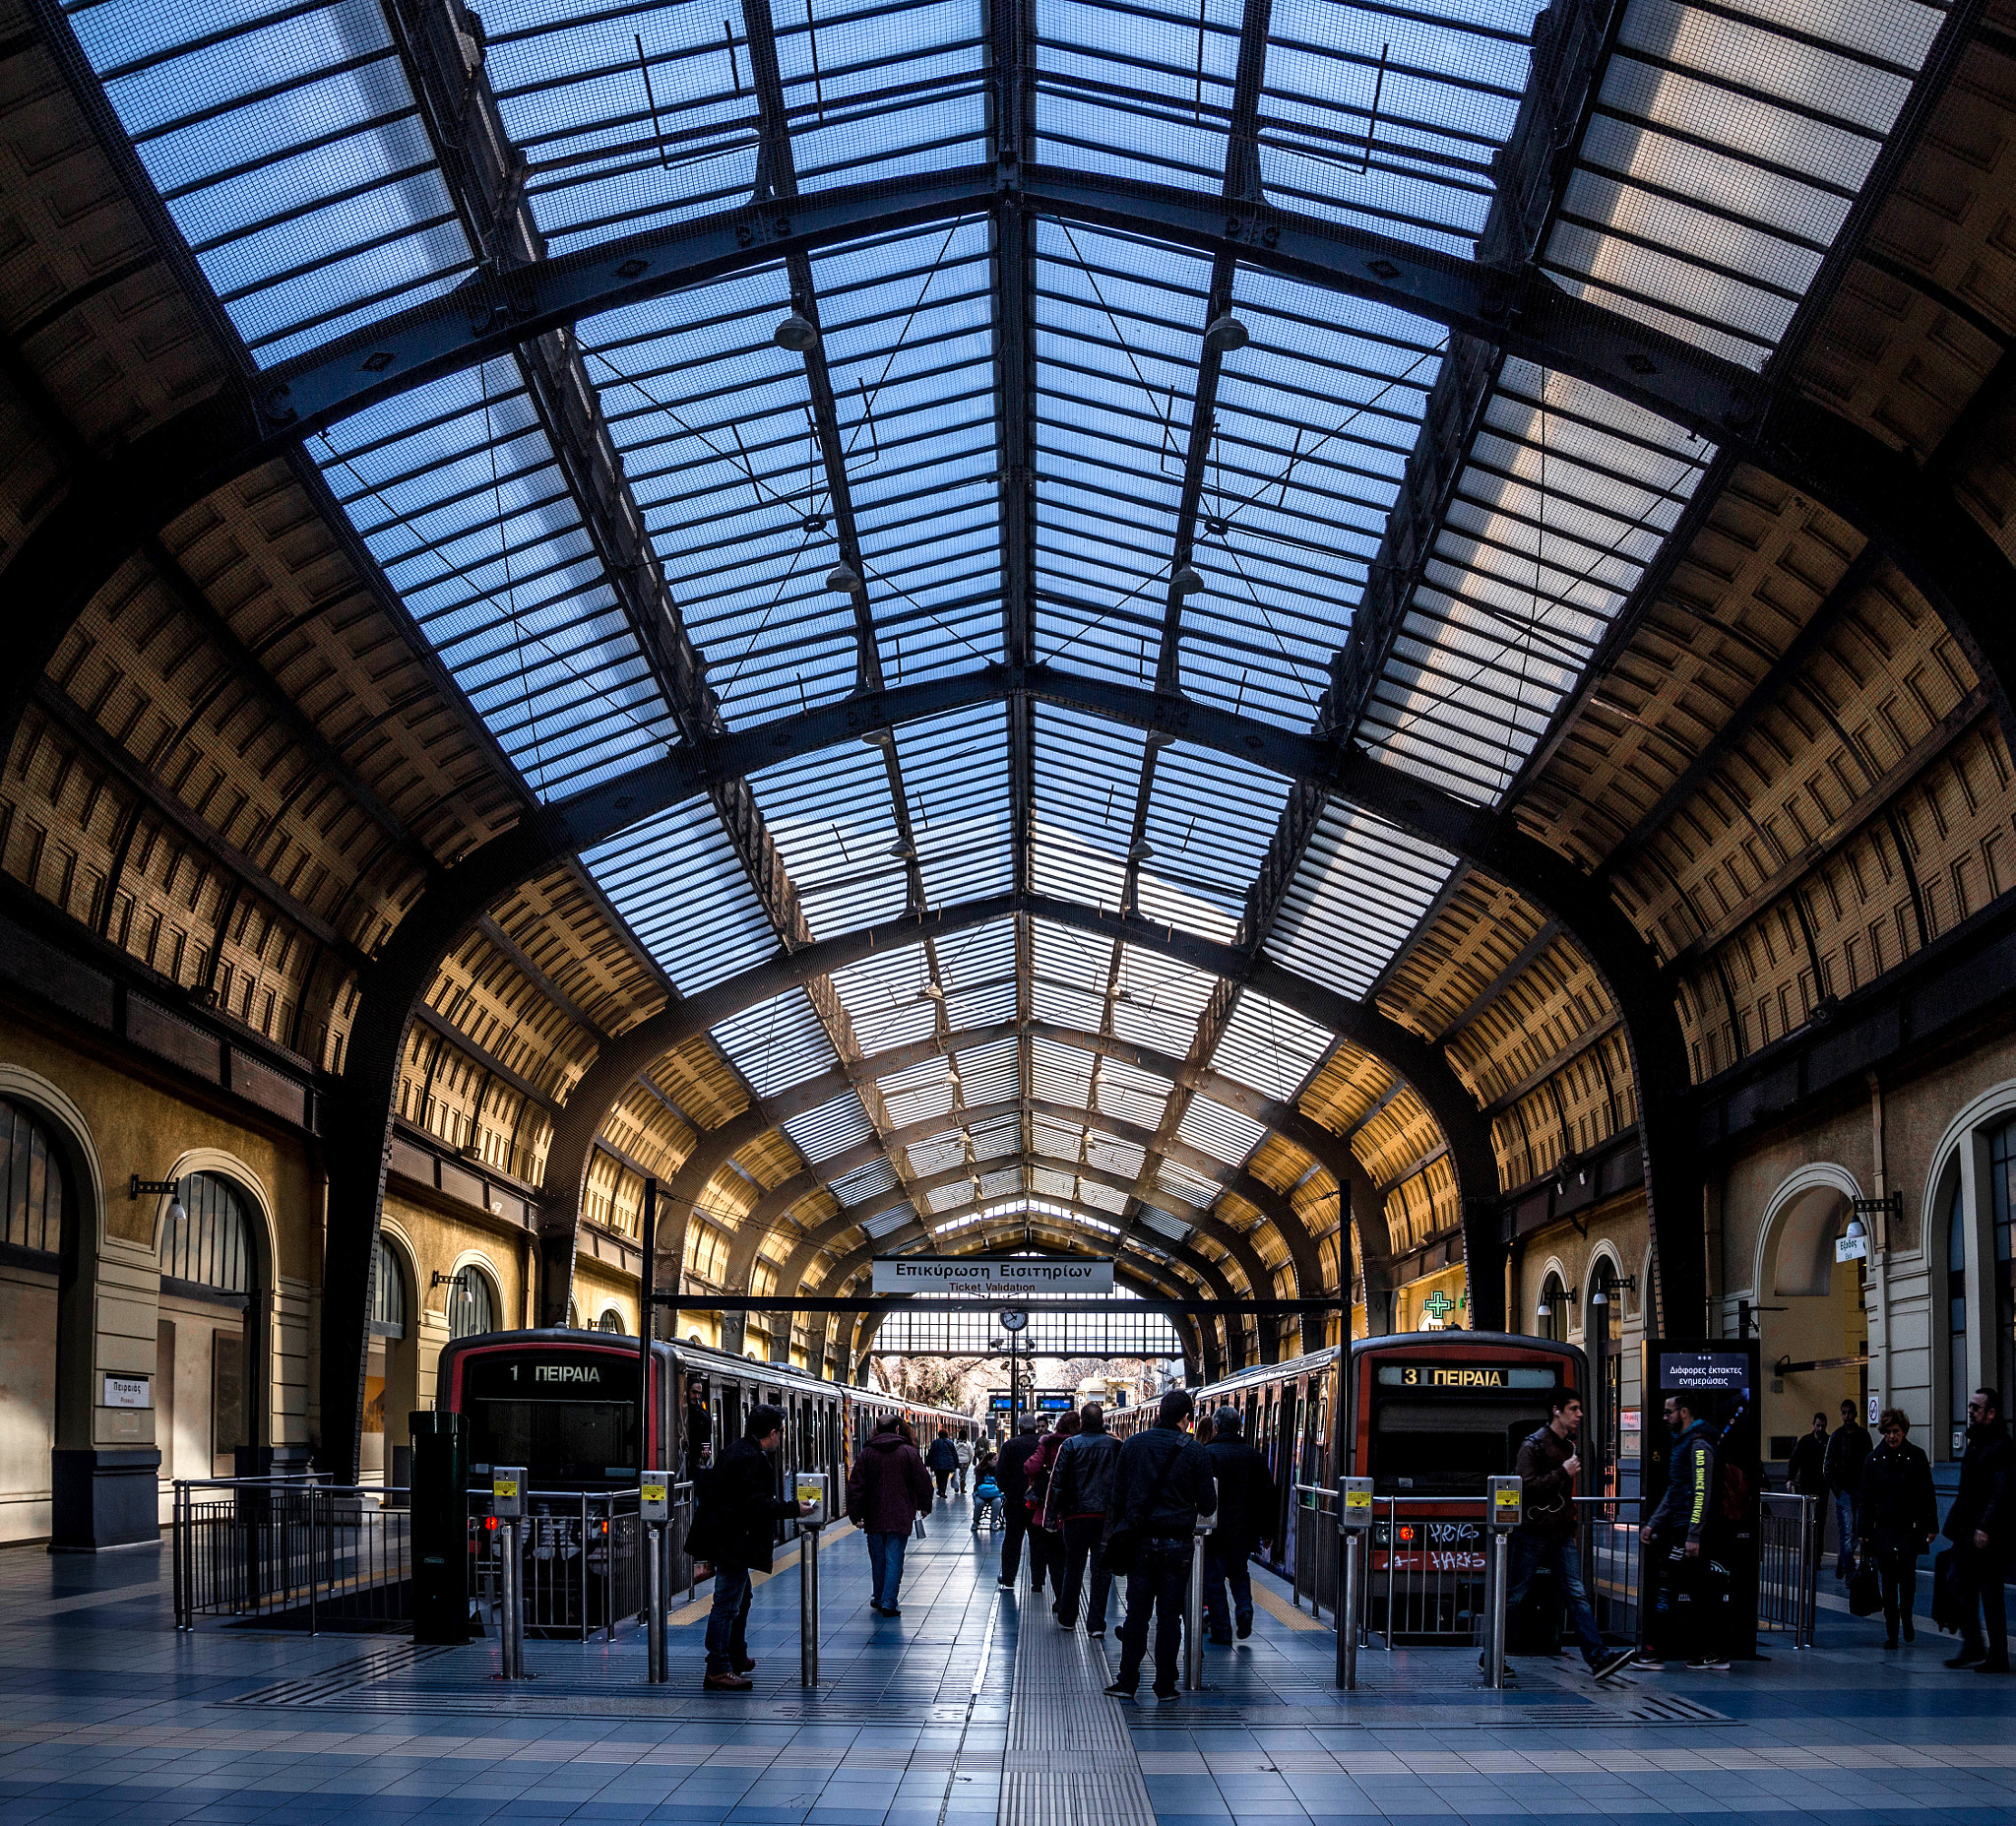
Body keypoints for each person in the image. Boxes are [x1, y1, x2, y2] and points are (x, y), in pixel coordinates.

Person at [682, 1403, 815, 1690]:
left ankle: (735, 1655)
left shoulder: (737, 1449)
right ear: (771, 1432)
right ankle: (718, 1667)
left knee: (742, 1599)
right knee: (727, 1604)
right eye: (780, 1432)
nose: (781, 1438)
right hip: (732, 1540)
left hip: (726, 1538)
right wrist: (795, 1508)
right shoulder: (752, 1458)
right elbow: (755, 1505)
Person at [1505, 1393, 1634, 1681]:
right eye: (1573, 1409)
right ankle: (1491, 1654)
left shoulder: (1568, 1445)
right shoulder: (1534, 1445)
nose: (1579, 1415)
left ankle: (1598, 1657)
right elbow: (1524, 1486)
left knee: (1577, 1593)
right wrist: (1562, 1473)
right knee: (1515, 1594)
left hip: (1561, 1533)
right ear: (1557, 1411)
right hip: (1535, 1532)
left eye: (1580, 1409)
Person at [1103, 1389, 1216, 1703]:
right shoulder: (1195, 1452)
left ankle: (1127, 1681)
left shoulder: (1133, 1445)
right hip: (1178, 1545)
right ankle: (1165, 1684)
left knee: (1137, 1614)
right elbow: (1208, 1504)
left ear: (1158, 1414)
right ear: (1185, 1418)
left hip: (1140, 1542)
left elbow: (1118, 1495)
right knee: (1169, 1617)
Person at [1638, 1391, 1729, 1672]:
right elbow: (1676, 1489)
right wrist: (1654, 1522)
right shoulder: (1683, 1443)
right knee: (1698, 1591)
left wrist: (1693, 1535)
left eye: (1669, 1412)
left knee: (1673, 1585)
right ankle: (1709, 1651)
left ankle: (1658, 1650)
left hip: (1690, 1531)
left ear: (1684, 1413)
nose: (1665, 1417)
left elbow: (1701, 1491)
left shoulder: (1699, 1445)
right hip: (1682, 1527)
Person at [1943, 1387, 2013, 1672]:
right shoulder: (1976, 1442)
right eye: (1970, 1406)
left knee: (1990, 1592)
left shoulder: (2000, 1445)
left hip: (1988, 1532)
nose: (1970, 1411)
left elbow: (2000, 1490)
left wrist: (1985, 1526)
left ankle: (1997, 1655)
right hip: (1967, 1528)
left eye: (1976, 1407)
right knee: (1958, 1580)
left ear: (1991, 1412)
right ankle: (1973, 1644)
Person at [1858, 1407, 1937, 1649]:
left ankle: (1907, 1615)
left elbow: (1927, 1493)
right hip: (1883, 1529)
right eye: (1889, 1432)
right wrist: (1864, 1531)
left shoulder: (1917, 1456)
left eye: (1896, 1431)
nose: (1892, 1436)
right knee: (1889, 1582)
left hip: (1909, 1528)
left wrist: (1931, 1525)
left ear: (1903, 1432)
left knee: (1907, 1578)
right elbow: (1866, 1498)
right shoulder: (1873, 1460)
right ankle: (1892, 1630)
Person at [1199, 1408, 1275, 1645]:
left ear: (1216, 1428)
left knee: (1214, 1581)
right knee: (1239, 1572)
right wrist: (1268, 1531)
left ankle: (1222, 1631)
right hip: (1245, 1531)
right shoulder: (1255, 1456)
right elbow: (1268, 1497)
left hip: (1214, 1532)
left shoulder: (1207, 1454)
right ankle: (1244, 1608)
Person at [846, 1414, 934, 1617]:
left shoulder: (866, 1453)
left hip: (874, 1515)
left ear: (876, 1429)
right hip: (900, 1514)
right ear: (896, 1429)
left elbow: (856, 1486)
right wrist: (924, 1505)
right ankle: (889, 1602)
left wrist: (855, 1514)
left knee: (878, 1558)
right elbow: (923, 1481)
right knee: (894, 1558)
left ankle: (878, 1597)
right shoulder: (909, 1452)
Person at [1049, 1402, 1121, 1636]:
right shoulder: (1116, 1446)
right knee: (1102, 1571)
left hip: (1075, 1516)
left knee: (1074, 1567)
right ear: (1102, 1421)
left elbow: (1057, 1483)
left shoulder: (1070, 1445)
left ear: (1081, 1422)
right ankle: (1096, 1625)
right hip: (1106, 1519)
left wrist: (1051, 1517)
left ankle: (1068, 1618)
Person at [1028, 1410, 1081, 1605]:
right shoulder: (1082, 1443)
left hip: (1050, 1509)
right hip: (1077, 1510)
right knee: (1074, 1558)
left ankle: (1060, 1597)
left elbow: (1031, 1467)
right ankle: (1070, 1600)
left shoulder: (1048, 1443)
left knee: (1054, 1557)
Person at [1824, 1398, 1872, 1578]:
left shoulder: (1862, 1436)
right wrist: (1837, 1489)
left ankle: (1843, 1560)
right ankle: (1850, 1572)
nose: (1846, 1416)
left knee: (1855, 1532)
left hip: (1858, 1490)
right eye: (1844, 1413)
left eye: (1849, 1412)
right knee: (1848, 1531)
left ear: (1855, 1414)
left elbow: (1869, 1462)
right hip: (1844, 1490)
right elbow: (1828, 1467)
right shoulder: (1837, 1437)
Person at [995, 1417, 1044, 1591]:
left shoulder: (1010, 1445)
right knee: (1037, 1542)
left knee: (1012, 1541)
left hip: (1015, 1502)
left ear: (1019, 1427)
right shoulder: (1042, 1443)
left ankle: (1009, 1578)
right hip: (1038, 1503)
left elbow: (1000, 1474)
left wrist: (1008, 1491)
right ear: (1035, 1427)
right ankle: (1037, 1581)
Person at [1787, 1413, 1828, 1501]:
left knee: (1818, 1511)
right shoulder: (1805, 1441)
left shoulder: (1828, 1441)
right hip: (1807, 1483)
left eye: (1822, 1426)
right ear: (1814, 1425)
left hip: (1821, 1484)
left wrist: (1790, 1478)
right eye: (1818, 1426)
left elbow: (1794, 1461)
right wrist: (1790, 1478)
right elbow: (1795, 1461)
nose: (1820, 1429)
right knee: (1810, 1509)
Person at [926, 1427, 960, 1500]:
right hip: (947, 1463)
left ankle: (940, 1489)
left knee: (938, 1477)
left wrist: (927, 1462)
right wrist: (956, 1464)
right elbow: (954, 1454)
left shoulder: (935, 1442)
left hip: (937, 1463)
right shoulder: (950, 1443)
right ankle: (942, 1491)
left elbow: (931, 1453)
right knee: (945, 1477)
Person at [973, 1468, 1003, 1533]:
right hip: (982, 1493)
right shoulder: (980, 1469)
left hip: (993, 1494)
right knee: (979, 1503)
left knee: (997, 1502)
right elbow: (978, 1483)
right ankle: (975, 1521)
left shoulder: (1000, 1469)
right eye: (994, 1459)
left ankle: (993, 1522)